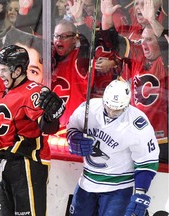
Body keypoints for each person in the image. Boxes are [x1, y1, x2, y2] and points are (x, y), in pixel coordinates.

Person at [0, 45, 65, 216]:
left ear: (17, 71)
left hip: (28, 163)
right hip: (6, 162)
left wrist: (52, 116)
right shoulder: (0, 85)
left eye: (4, 70)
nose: (0, 74)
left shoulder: (33, 92)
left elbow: (48, 128)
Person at [66, 79, 160, 216]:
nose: (111, 112)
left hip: (118, 189)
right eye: (108, 107)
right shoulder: (88, 108)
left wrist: (140, 192)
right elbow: (72, 129)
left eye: (117, 110)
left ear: (127, 105)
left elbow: (147, 161)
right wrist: (75, 141)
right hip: (86, 182)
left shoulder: (138, 124)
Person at [101, 0, 168, 163]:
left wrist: (152, 21)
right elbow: (113, 41)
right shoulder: (137, 57)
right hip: (135, 135)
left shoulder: (164, 63)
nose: (143, 44)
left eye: (150, 40)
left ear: (159, 43)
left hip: (161, 140)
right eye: (142, 40)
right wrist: (107, 16)